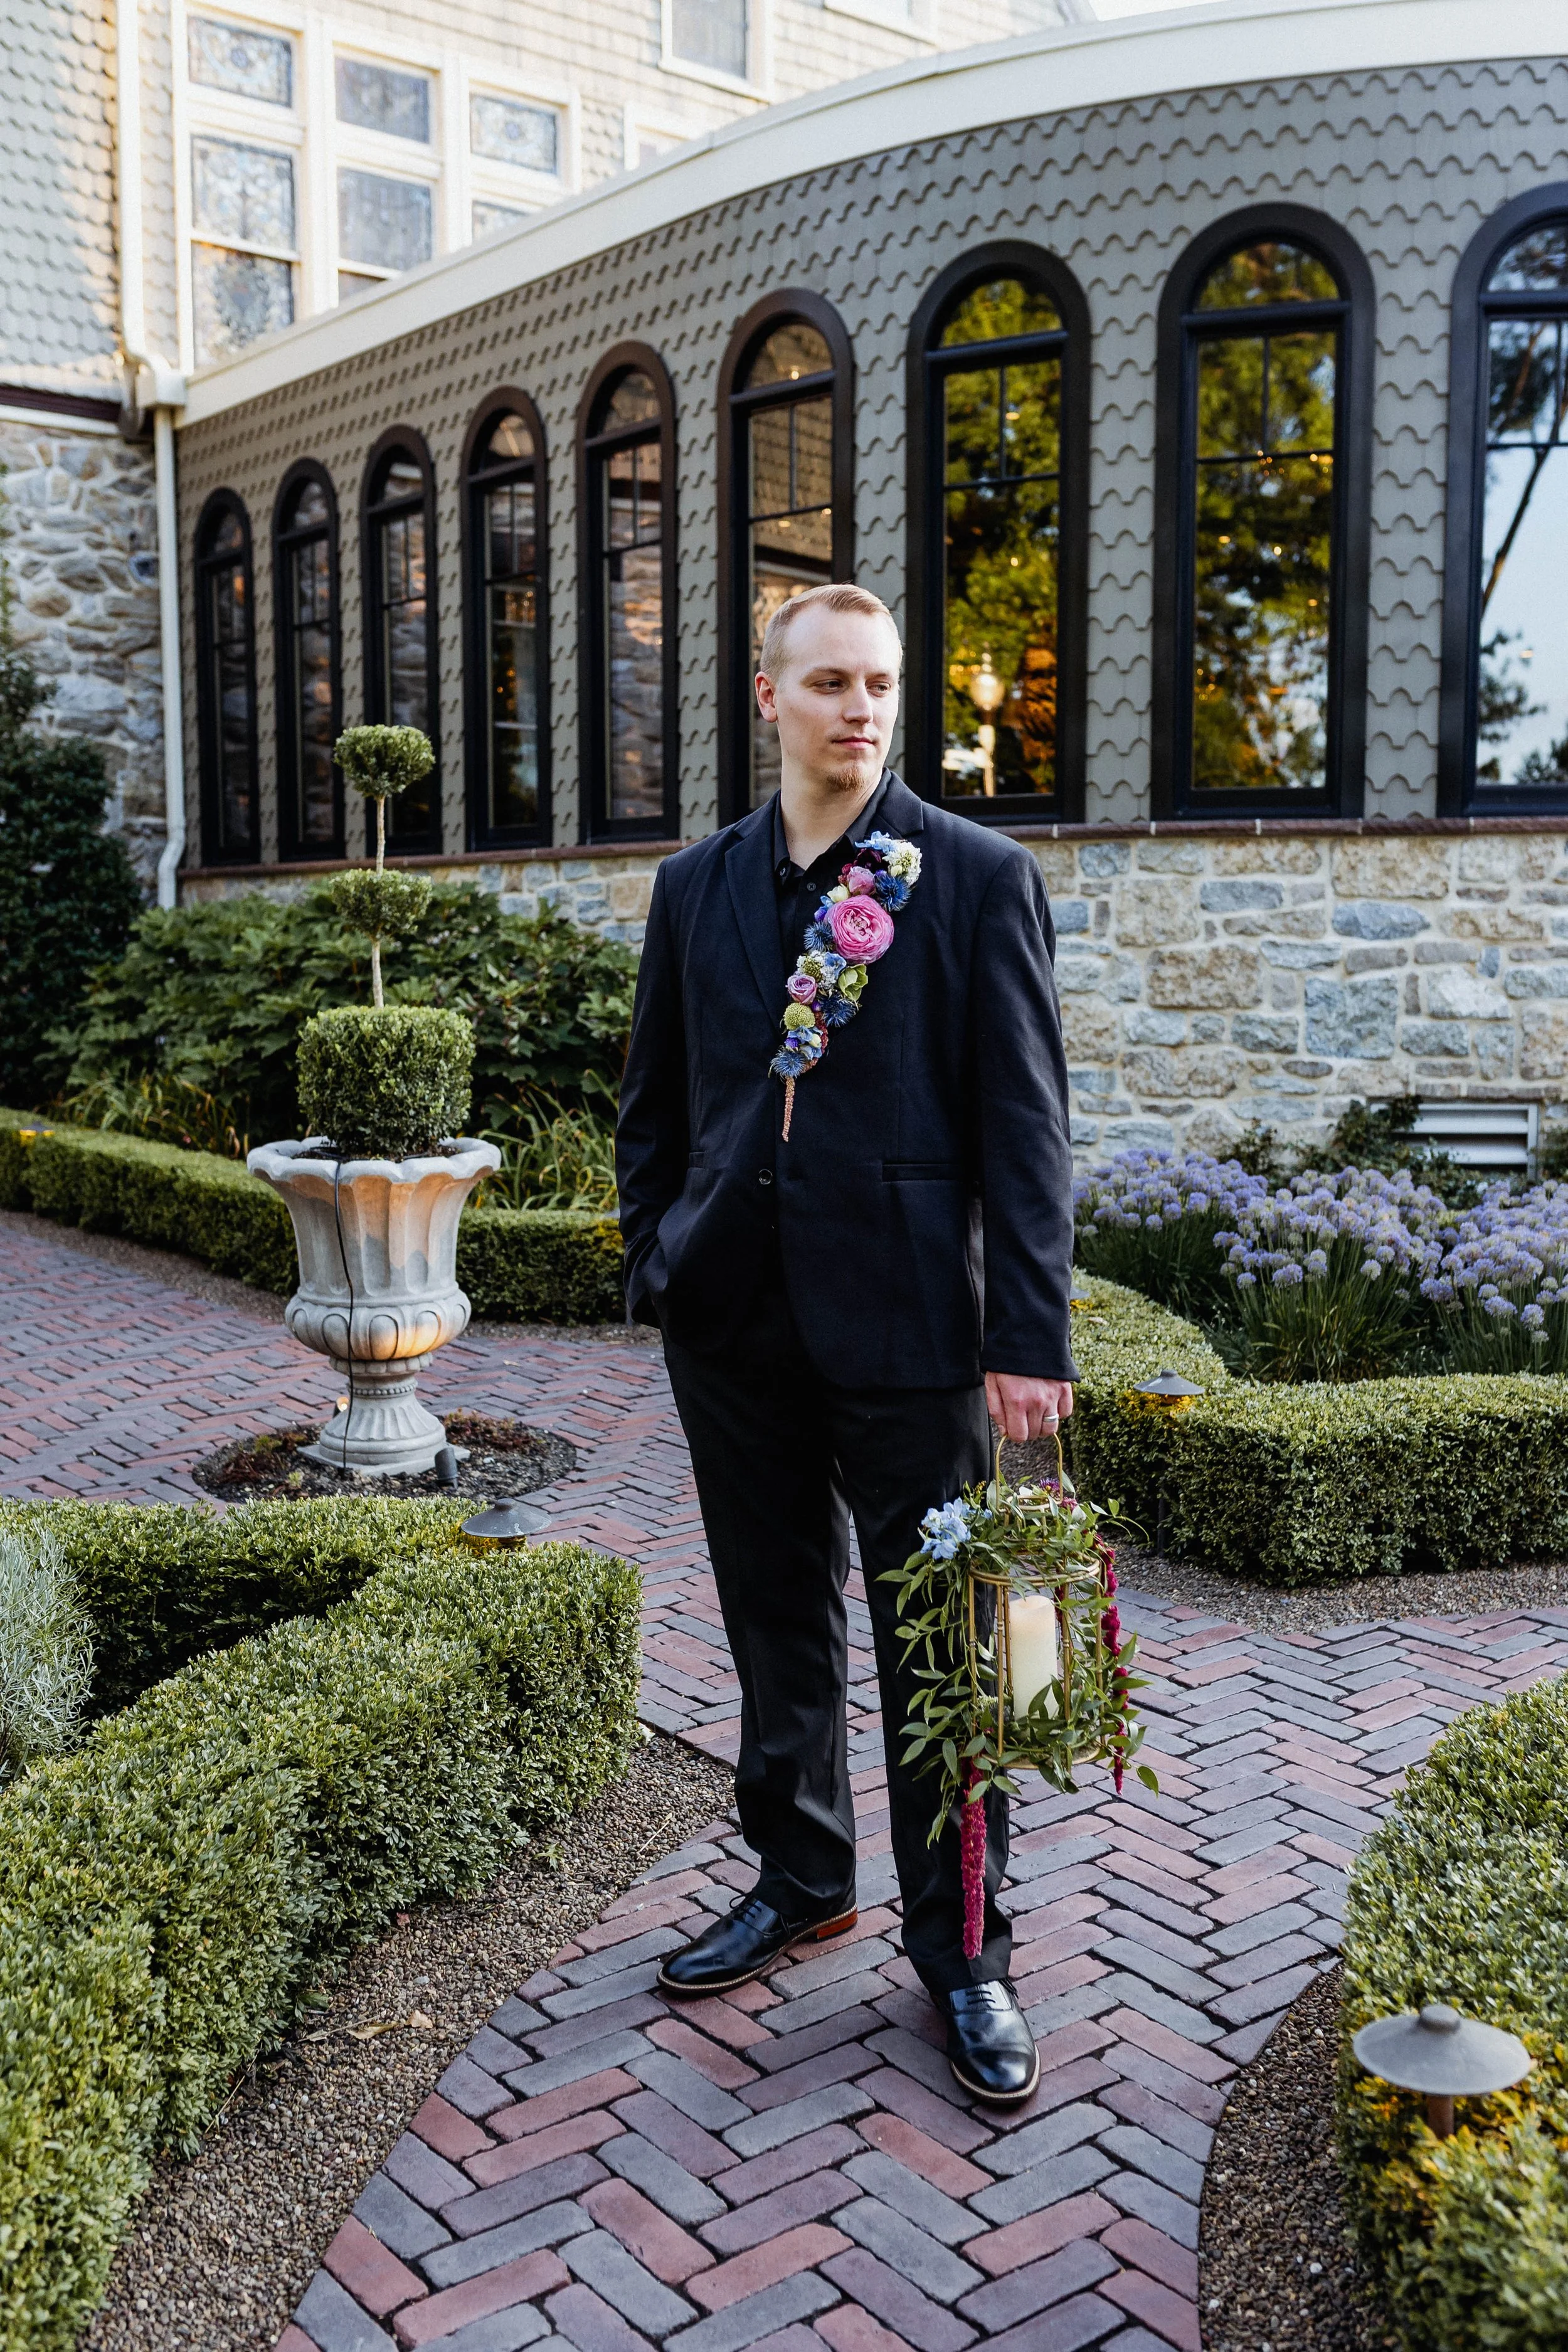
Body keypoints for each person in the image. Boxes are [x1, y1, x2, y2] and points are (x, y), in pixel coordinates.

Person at [615, 581, 1078, 2104]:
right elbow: (657, 1107)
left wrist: (1027, 1336)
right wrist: (656, 1262)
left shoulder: (974, 877)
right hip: (732, 1330)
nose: (858, 708)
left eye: (878, 684)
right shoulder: (694, 889)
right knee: (772, 1627)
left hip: (910, 1333)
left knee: (937, 1649)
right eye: (826, 684)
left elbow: (1026, 1133)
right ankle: (799, 1876)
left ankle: (964, 1954)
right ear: (768, 699)